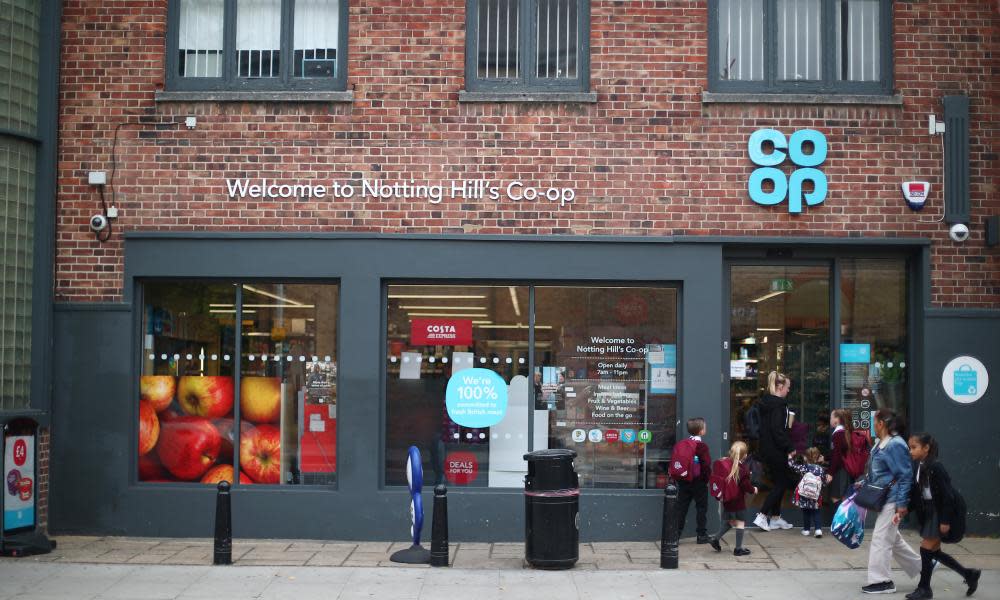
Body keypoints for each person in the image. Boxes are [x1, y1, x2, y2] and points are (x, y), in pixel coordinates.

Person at [905, 432, 981, 599]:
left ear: (926, 448)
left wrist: (945, 520)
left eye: (914, 447)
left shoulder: (936, 467)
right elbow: (918, 495)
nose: (910, 451)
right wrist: (905, 509)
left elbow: (948, 496)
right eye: (910, 447)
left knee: (926, 547)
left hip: (940, 511)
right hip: (931, 510)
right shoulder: (919, 465)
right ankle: (969, 574)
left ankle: (924, 588)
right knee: (933, 551)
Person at [862, 409, 921, 595]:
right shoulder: (882, 443)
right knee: (892, 539)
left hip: (892, 500)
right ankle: (923, 567)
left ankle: (882, 581)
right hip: (884, 498)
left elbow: (905, 476)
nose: (872, 425)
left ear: (882, 424)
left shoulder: (895, 444)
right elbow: (879, 472)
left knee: (881, 539)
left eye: (875, 421)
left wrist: (901, 504)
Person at [752, 371, 796, 531]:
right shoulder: (779, 405)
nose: (788, 390)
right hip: (777, 449)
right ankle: (763, 515)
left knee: (779, 481)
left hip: (766, 448)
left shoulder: (765, 403)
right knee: (782, 482)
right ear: (779, 386)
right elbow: (777, 430)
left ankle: (776, 517)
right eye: (787, 387)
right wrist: (789, 447)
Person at [709, 441, 758, 556]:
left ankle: (715, 539)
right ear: (745, 455)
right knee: (740, 522)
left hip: (727, 499)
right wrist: (754, 490)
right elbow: (746, 486)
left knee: (730, 521)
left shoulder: (726, 463)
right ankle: (738, 549)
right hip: (738, 500)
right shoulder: (742, 469)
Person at [675, 417, 712, 543]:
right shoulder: (702, 446)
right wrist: (706, 479)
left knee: (681, 508)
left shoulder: (683, 444)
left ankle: (676, 535)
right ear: (701, 431)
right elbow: (706, 465)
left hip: (684, 480)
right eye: (704, 427)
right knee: (701, 508)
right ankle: (701, 535)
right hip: (698, 482)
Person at [828, 408, 870, 502]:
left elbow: (837, 455)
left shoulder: (838, 434)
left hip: (841, 472)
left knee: (838, 500)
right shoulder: (847, 433)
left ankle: (840, 517)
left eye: (831, 417)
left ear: (836, 420)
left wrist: (830, 473)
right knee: (847, 499)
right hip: (848, 472)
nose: (830, 419)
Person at [788, 447, 827, 538]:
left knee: (806, 512)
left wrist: (790, 457)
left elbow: (792, 466)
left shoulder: (804, 467)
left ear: (806, 458)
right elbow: (824, 483)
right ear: (818, 457)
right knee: (816, 512)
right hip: (816, 495)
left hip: (804, 494)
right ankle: (818, 529)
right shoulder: (821, 469)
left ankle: (806, 530)